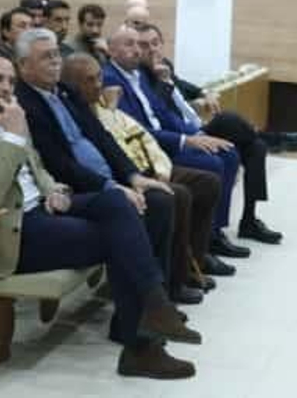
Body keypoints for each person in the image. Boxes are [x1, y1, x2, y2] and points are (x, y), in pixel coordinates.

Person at [0, 52, 198, 380]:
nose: (6, 88)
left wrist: (55, 190)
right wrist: (13, 136)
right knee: (119, 238)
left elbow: (37, 167)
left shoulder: (6, 113)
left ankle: (154, 309)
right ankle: (143, 342)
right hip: (6, 231)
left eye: (11, 81)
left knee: (117, 204)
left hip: (41, 209)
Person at [13, 31, 197, 303]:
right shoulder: (24, 104)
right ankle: (145, 307)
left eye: (56, 55)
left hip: (105, 179)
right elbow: (58, 164)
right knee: (137, 207)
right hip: (73, 187)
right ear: (23, 65)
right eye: (45, 57)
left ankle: (159, 297)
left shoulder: (65, 91)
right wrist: (110, 186)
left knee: (162, 199)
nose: (55, 62)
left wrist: (133, 176)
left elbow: (102, 136)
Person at [77, 55, 232, 286]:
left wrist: (161, 169)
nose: (99, 84)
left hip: (151, 166)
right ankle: (171, 282)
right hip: (129, 175)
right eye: (90, 80)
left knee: (208, 181)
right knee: (176, 194)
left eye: (99, 78)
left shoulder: (112, 102)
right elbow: (110, 153)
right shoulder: (88, 110)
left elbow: (144, 136)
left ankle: (195, 263)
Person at [104, 26, 251, 260]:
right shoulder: (110, 79)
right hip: (150, 150)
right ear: (111, 51)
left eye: (137, 44)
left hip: (165, 138)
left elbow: (163, 113)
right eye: (129, 45)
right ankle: (199, 247)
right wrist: (185, 140)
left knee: (228, 153)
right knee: (212, 164)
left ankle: (213, 234)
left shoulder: (139, 75)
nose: (136, 50)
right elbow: (136, 130)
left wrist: (196, 134)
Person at [138, 24, 284, 244]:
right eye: (144, 45)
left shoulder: (164, 66)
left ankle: (249, 220)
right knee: (227, 120)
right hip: (183, 135)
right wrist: (164, 84)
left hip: (194, 126)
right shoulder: (142, 76)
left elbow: (184, 90)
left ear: (162, 44)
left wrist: (202, 92)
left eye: (155, 44)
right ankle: (271, 139)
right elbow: (164, 115)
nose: (151, 50)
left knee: (256, 149)